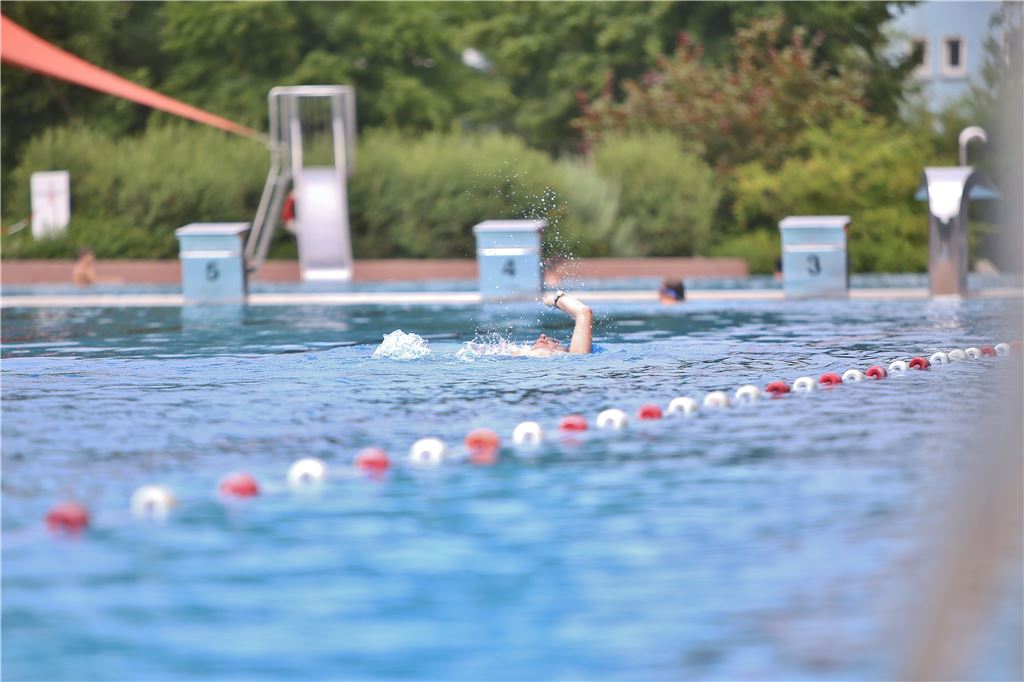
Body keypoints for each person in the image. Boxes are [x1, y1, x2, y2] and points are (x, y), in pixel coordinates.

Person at [529, 290, 593, 356]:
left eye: (552, 340)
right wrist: (557, 299)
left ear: (562, 349)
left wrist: (556, 300)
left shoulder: (575, 355)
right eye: (534, 343)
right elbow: (584, 312)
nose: (542, 336)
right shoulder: (519, 352)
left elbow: (585, 312)